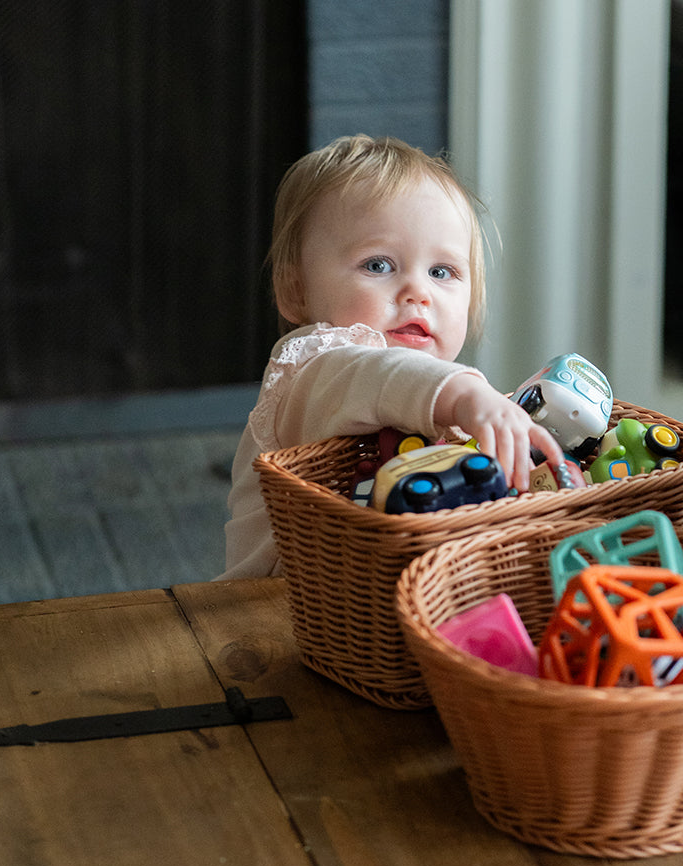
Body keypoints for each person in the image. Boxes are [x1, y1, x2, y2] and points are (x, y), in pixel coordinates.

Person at [219, 134, 563, 579]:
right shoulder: (313, 366)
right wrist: (466, 395)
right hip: (268, 615)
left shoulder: (443, 397)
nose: (418, 292)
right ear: (296, 290)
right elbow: (377, 375)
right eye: (378, 265)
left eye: (442, 272)